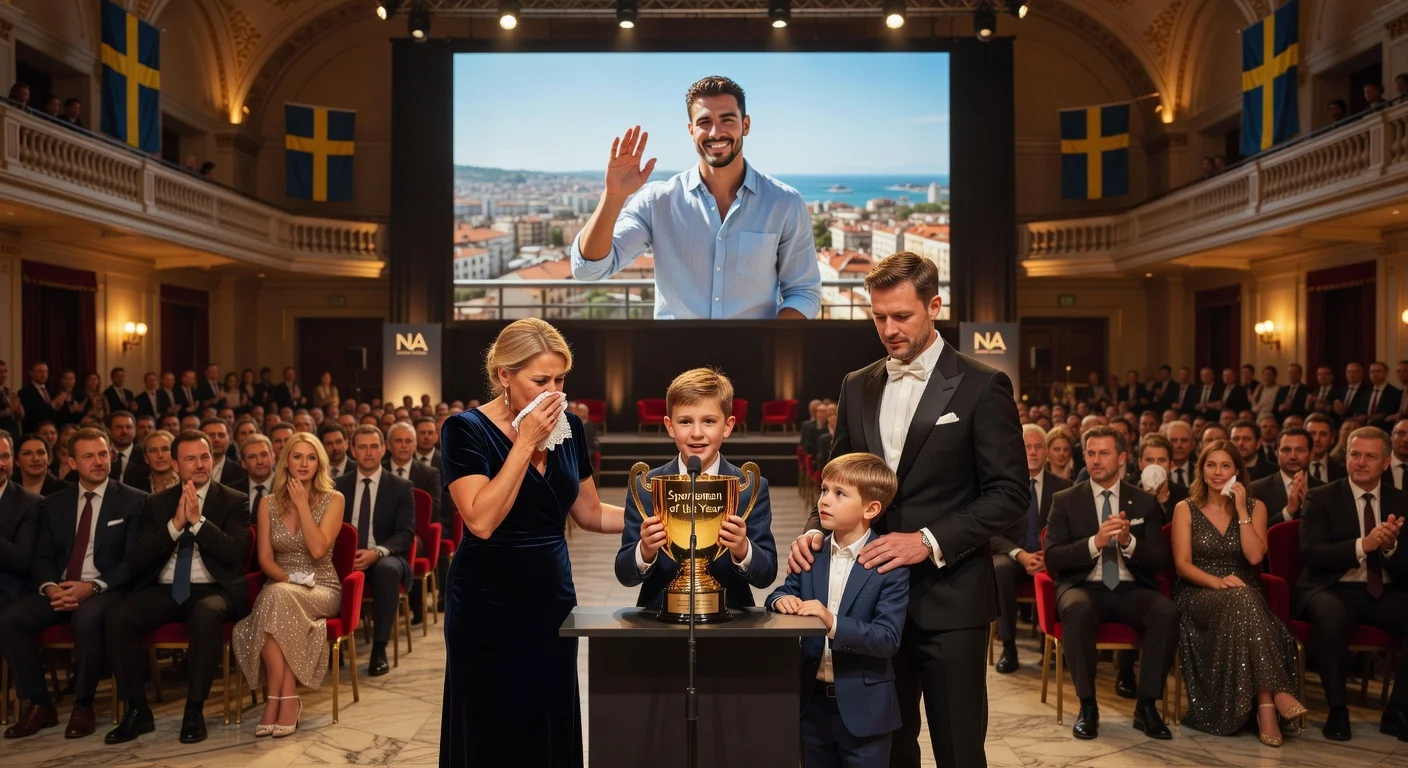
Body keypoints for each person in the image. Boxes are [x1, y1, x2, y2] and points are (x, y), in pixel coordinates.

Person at [784, 252, 1027, 767]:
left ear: (934, 306)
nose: (889, 329)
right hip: (868, 605)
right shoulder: (857, 384)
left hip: (950, 601)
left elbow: (1009, 494)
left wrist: (926, 542)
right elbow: (837, 476)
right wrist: (813, 530)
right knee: (886, 750)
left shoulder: (982, 385)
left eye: (902, 316)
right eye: (879, 317)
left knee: (959, 749)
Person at [438, 317, 626, 767]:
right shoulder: (464, 431)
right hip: (487, 600)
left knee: (549, 711)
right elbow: (481, 520)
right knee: (491, 722)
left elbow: (590, 512)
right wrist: (524, 444)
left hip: (551, 595)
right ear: (504, 375)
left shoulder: (571, 428)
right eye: (540, 380)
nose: (553, 392)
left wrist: (659, 515)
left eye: (560, 379)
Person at [571, 76, 821, 320]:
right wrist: (613, 196)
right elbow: (588, 270)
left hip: (754, 358)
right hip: (676, 360)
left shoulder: (785, 203)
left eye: (727, 119)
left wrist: (768, 343)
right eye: (704, 122)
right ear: (691, 130)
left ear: (745, 125)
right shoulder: (657, 202)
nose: (716, 132)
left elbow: (803, 292)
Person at [103, 431, 251, 745]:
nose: (200, 464)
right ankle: (137, 710)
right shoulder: (156, 503)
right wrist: (175, 526)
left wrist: (197, 523)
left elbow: (234, 552)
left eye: (205, 456)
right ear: (174, 464)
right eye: (191, 458)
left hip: (213, 588)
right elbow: (139, 556)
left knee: (206, 615)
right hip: (167, 588)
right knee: (118, 616)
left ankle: (194, 710)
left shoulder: (234, 500)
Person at [0, 428, 146, 739]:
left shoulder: (133, 500)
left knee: (86, 617)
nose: (98, 461)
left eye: (103, 454)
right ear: (71, 462)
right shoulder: (54, 503)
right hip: (61, 586)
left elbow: (132, 562)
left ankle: (83, 704)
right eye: (88, 456)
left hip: (106, 589)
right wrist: (50, 587)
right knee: (10, 619)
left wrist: (92, 587)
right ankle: (40, 704)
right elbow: (41, 557)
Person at [767, 453, 908, 768]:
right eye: (824, 490)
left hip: (865, 712)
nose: (824, 500)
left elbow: (887, 638)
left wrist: (831, 622)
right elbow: (782, 592)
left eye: (839, 494)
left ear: (871, 509)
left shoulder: (887, 564)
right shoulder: (812, 552)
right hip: (811, 705)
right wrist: (779, 601)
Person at [1044, 425, 1178, 741]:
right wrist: (1096, 541)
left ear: (1121, 458)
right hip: (1082, 587)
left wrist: (1129, 542)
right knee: (1076, 610)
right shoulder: (1064, 500)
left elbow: (1159, 560)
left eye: (1104, 453)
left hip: (1131, 589)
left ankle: (1146, 707)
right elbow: (1053, 559)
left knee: (1167, 612)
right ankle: (1087, 707)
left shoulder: (1143, 502)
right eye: (1090, 453)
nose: (1095, 460)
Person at [1170, 440, 1305, 745]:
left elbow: (1256, 557)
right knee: (1247, 601)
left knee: (1244, 598)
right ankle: (1274, 700)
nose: (1217, 472)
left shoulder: (1256, 507)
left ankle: (1266, 707)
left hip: (1243, 590)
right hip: (1198, 592)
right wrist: (1215, 582)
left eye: (1225, 466)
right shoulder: (1185, 508)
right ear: (1202, 470)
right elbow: (1182, 565)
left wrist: (1242, 509)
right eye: (1211, 465)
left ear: (1237, 472)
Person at [615, 367, 777, 612]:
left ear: (728, 425)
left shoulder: (749, 487)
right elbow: (624, 573)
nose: (697, 433)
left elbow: (766, 575)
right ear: (670, 427)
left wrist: (742, 548)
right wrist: (645, 550)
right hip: (658, 620)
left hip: (731, 620)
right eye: (685, 422)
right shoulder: (647, 486)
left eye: (709, 421)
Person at [1295, 426, 1408, 742]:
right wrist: (1365, 545)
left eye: (1370, 456)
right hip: (1332, 587)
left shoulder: (1402, 501)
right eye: (1354, 454)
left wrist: (1390, 548)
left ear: (1385, 463)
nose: (1360, 462)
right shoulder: (1322, 497)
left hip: (1384, 591)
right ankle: (1338, 710)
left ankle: (1398, 710)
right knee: (1331, 617)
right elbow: (1312, 555)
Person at [233, 431, 344, 738]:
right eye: (297, 456)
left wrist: (302, 504)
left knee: (273, 601)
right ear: (286, 462)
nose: (304, 463)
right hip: (282, 582)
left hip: (320, 586)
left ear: (319, 463)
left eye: (311, 457)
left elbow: (319, 549)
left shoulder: (334, 499)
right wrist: (289, 579)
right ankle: (284, 699)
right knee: (277, 598)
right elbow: (265, 559)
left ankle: (279, 700)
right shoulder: (267, 503)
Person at [333, 425, 415, 677]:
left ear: (383, 449)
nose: (368, 452)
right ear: (352, 450)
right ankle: (330, 649)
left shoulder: (401, 486)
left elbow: (406, 533)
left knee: (387, 571)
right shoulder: (337, 485)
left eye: (373, 446)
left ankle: (379, 650)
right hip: (346, 558)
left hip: (384, 555)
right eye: (362, 447)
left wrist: (377, 552)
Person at [991, 424, 1072, 673]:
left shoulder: (1064, 486)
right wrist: (1021, 555)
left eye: (1039, 447)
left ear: (1046, 452)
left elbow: (1072, 531)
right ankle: (1009, 647)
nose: (1034, 452)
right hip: (1014, 557)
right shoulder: (1002, 487)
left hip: (1052, 558)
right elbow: (990, 532)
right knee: (1000, 569)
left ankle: (1061, 650)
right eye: (1028, 447)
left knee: (1070, 568)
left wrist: (1049, 557)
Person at [0, 433, 43, 619]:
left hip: (6, 588)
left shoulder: (30, 503)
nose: (1, 464)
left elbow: (21, 559)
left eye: (5, 456)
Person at [1251, 427, 1321, 526]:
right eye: (1286, 450)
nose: (1293, 456)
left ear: (1311, 454)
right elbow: (1256, 532)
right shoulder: (1256, 489)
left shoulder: (1324, 489)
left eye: (1300, 450)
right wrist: (1288, 511)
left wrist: (1309, 507)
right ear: (1276, 453)